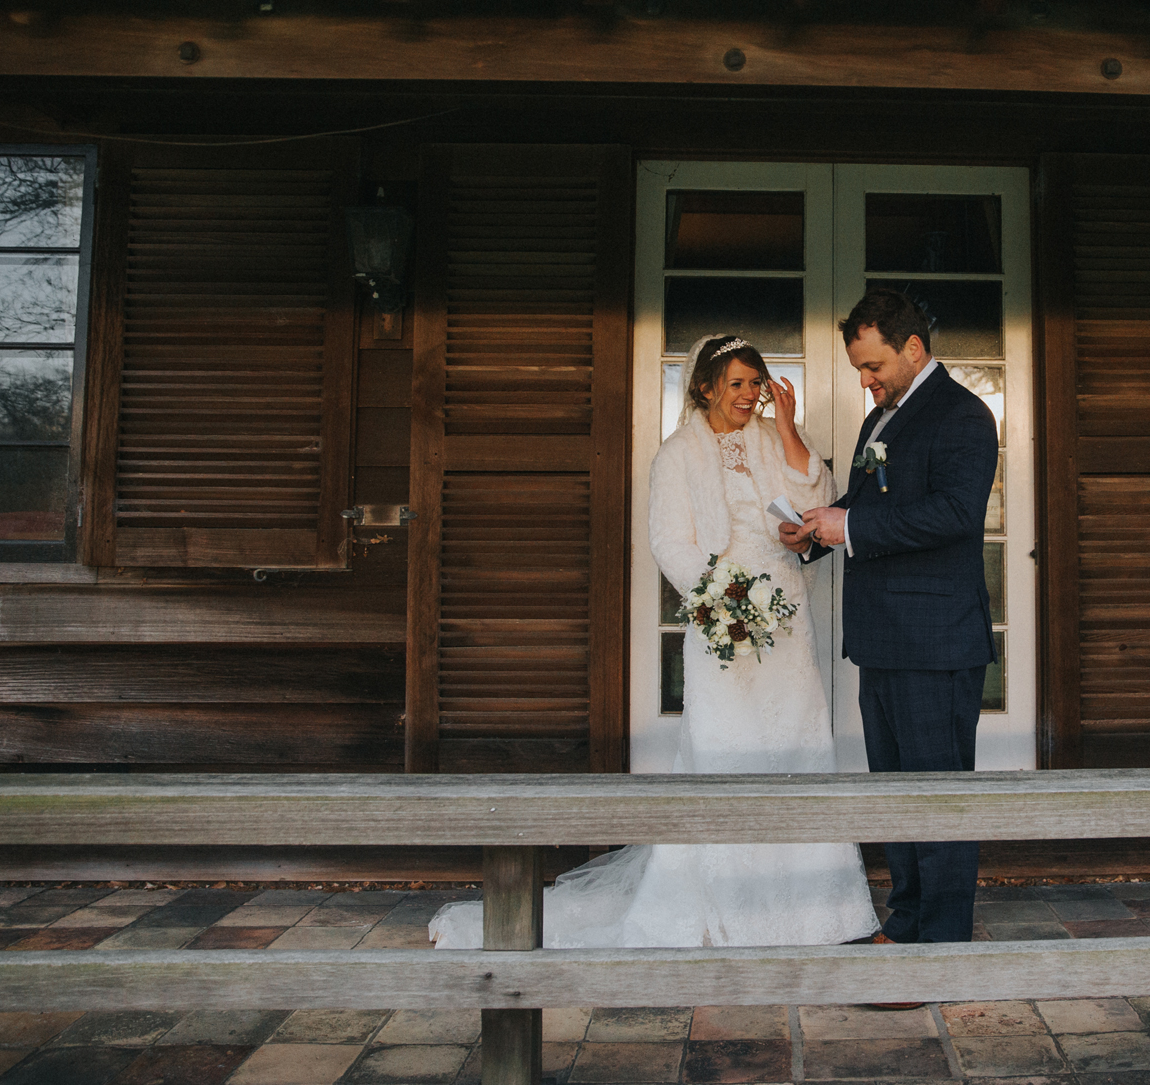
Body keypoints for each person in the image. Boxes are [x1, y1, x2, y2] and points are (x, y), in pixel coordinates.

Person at [428, 333, 877, 950]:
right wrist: (722, 599)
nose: (750, 396)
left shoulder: (774, 439)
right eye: (738, 384)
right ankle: (730, 910)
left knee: (797, 748)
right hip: (725, 617)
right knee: (727, 752)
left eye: (757, 383)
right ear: (705, 388)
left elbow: (817, 500)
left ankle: (816, 912)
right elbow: (671, 544)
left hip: (786, 619)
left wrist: (791, 426)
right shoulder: (676, 455)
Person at [779, 288, 1000, 948]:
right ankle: (905, 923)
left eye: (873, 366)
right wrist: (819, 530)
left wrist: (851, 523)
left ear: (912, 348)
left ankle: (940, 943)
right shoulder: (883, 418)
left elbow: (955, 514)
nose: (865, 380)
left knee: (937, 802)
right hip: (883, 639)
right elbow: (870, 502)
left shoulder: (963, 415)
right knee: (896, 797)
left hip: (936, 642)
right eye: (858, 370)